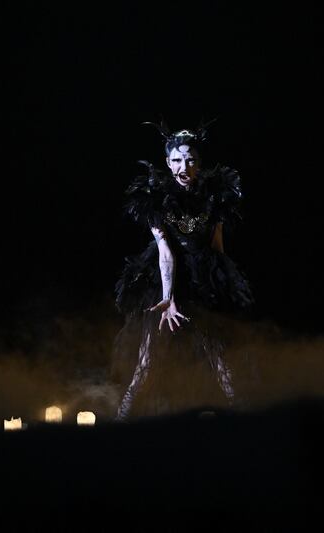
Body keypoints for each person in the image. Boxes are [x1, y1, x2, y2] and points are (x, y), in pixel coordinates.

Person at [111, 119, 255, 421]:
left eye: (190, 160)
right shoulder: (154, 200)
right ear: (167, 161)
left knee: (221, 360)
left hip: (203, 276)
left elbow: (217, 246)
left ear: (199, 163)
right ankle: (120, 423)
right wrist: (169, 298)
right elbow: (166, 253)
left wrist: (224, 284)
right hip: (164, 278)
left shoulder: (216, 196)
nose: (183, 168)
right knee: (146, 362)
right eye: (177, 160)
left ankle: (246, 422)